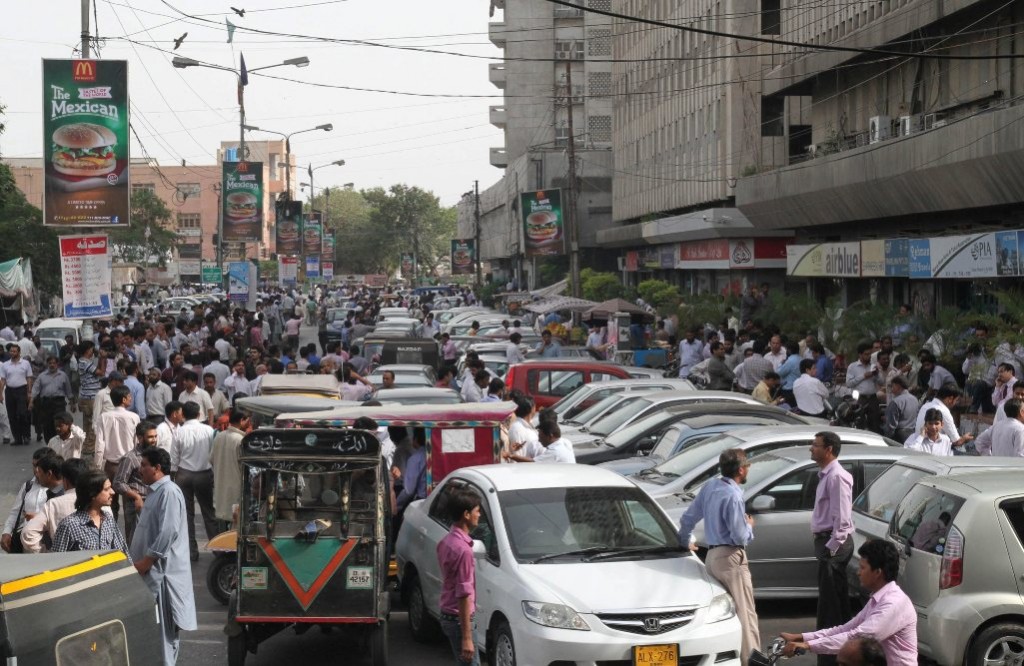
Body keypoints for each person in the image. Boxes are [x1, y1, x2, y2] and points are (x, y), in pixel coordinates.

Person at [677, 449, 759, 665]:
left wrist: (685, 541)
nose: (748, 469)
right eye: (747, 466)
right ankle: (753, 661)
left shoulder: (711, 486)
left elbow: (688, 519)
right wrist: (749, 527)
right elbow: (739, 535)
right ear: (741, 469)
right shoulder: (733, 495)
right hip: (731, 557)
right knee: (745, 613)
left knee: (721, 613)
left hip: (712, 557)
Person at [781, 540, 917, 666]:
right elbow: (846, 628)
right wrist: (800, 637)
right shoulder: (879, 599)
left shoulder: (893, 603)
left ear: (877, 572)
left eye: (863, 568)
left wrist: (808, 645)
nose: (858, 573)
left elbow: (858, 638)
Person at [131, 447, 198, 666]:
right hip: (152, 572)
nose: (140, 470)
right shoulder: (155, 491)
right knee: (155, 632)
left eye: (144, 465)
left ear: (157, 468)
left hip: (162, 575)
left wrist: (146, 561)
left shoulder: (168, 491)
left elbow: (168, 532)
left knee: (164, 635)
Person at [810, 430, 854, 664]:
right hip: (827, 543)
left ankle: (833, 658)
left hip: (833, 545)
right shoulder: (826, 475)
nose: (811, 448)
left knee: (831, 610)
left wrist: (832, 547)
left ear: (828, 450)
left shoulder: (837, 476)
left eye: (815, 445)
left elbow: (843, 518)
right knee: (833, 605)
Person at [436, 488, 482, 666]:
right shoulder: (463, 550)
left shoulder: (446, 542)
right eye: (477, 511)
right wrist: (467, 638)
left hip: (448, 615)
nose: (479, 515)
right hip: (458, 620)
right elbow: (463, 594)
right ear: (466, 514)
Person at [171, 401, 217, 562]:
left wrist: (173, 477)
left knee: (187, 515)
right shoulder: (208, 430)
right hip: (204, 474)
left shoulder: (178, 432)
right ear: (199, 414)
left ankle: (191, 551)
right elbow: (213, 454)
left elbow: (174, 458)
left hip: (184, 474)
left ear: (183, 414)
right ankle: (218, 550)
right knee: (209, 513)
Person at [51, 469, 131, 559]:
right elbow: (57, 561)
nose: (112, 492)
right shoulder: (69, 525)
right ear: (92, 494)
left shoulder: (108, 519)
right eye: (106, 489)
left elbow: (122, 552)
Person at [20, 458, 88, 553]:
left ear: (65, 480)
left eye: (39, 471)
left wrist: (45, 553)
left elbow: (27, 533)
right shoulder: (99, 502)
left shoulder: (54, 504)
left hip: (60, 561)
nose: (36, 474)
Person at [94, 385, 141, 520]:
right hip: (129, 466)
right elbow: (136, 442)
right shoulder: (134, 417)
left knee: (109, 504)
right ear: (124, 399)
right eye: (129, 396)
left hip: (110, 466)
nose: (131, 398)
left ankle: (110, 536)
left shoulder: (104, 417)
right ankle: (129, 539)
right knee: (129, 505)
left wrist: (98, 467)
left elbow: (99, 445)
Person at [113, 421, 158, 545]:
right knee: (135, 543)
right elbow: (118, 482)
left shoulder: (158, 455)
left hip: (155, 502)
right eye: (150, 437)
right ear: (139, 438)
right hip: (137, 506)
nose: (154, 440)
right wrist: (136, 496)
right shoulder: (130, 458)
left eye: (155, 436)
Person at [211, 408, 249, 530]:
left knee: (222, 524)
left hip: (221, 489)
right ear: (242, 420)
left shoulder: (219, 437)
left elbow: (211, 459)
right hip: (236, 490)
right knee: (236, 526)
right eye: (247, 420)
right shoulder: (241, 440)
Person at [915, 385, 973, 450]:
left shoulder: (925, 406)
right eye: (956, 400)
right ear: (950, 399)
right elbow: (957, 442)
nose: (956, 403)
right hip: (932, 450)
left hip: (919, 445)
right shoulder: (944, 411)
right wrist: (965, 438)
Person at [31, 354, 73, 443]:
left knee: (59, 424)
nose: (52, 365)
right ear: (47, 364)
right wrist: (31, 401)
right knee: (47, 425)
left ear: (57, 364)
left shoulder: (63, 375)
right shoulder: (42, 376)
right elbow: (35, 389)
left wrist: (72, 403)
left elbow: (68, 391)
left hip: (59, 403)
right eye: (50, 363)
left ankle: (60, 444)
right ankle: (49, 445)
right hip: (46, 404)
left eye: (54, 363)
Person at [1, 342, 34, 446]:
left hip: (22, 390)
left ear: (19, 352)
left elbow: (29, 378)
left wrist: (29, 392)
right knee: (12, 416)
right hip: (10, 391)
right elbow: (3, 380)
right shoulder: (5, 365)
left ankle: (26, 435)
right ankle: (17, 438)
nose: (12, 353)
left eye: (14, 351)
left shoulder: (25, 363)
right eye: (11, 351)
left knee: (22, 414)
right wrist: (0, 393)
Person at [884, 376, 919, 443]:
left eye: (892, 386)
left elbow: (891, 425)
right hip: (912, 434)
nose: (891, 389)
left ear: (898, 386)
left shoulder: (896, 402)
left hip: (899, 436)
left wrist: (887, 439)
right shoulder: (915, 399)